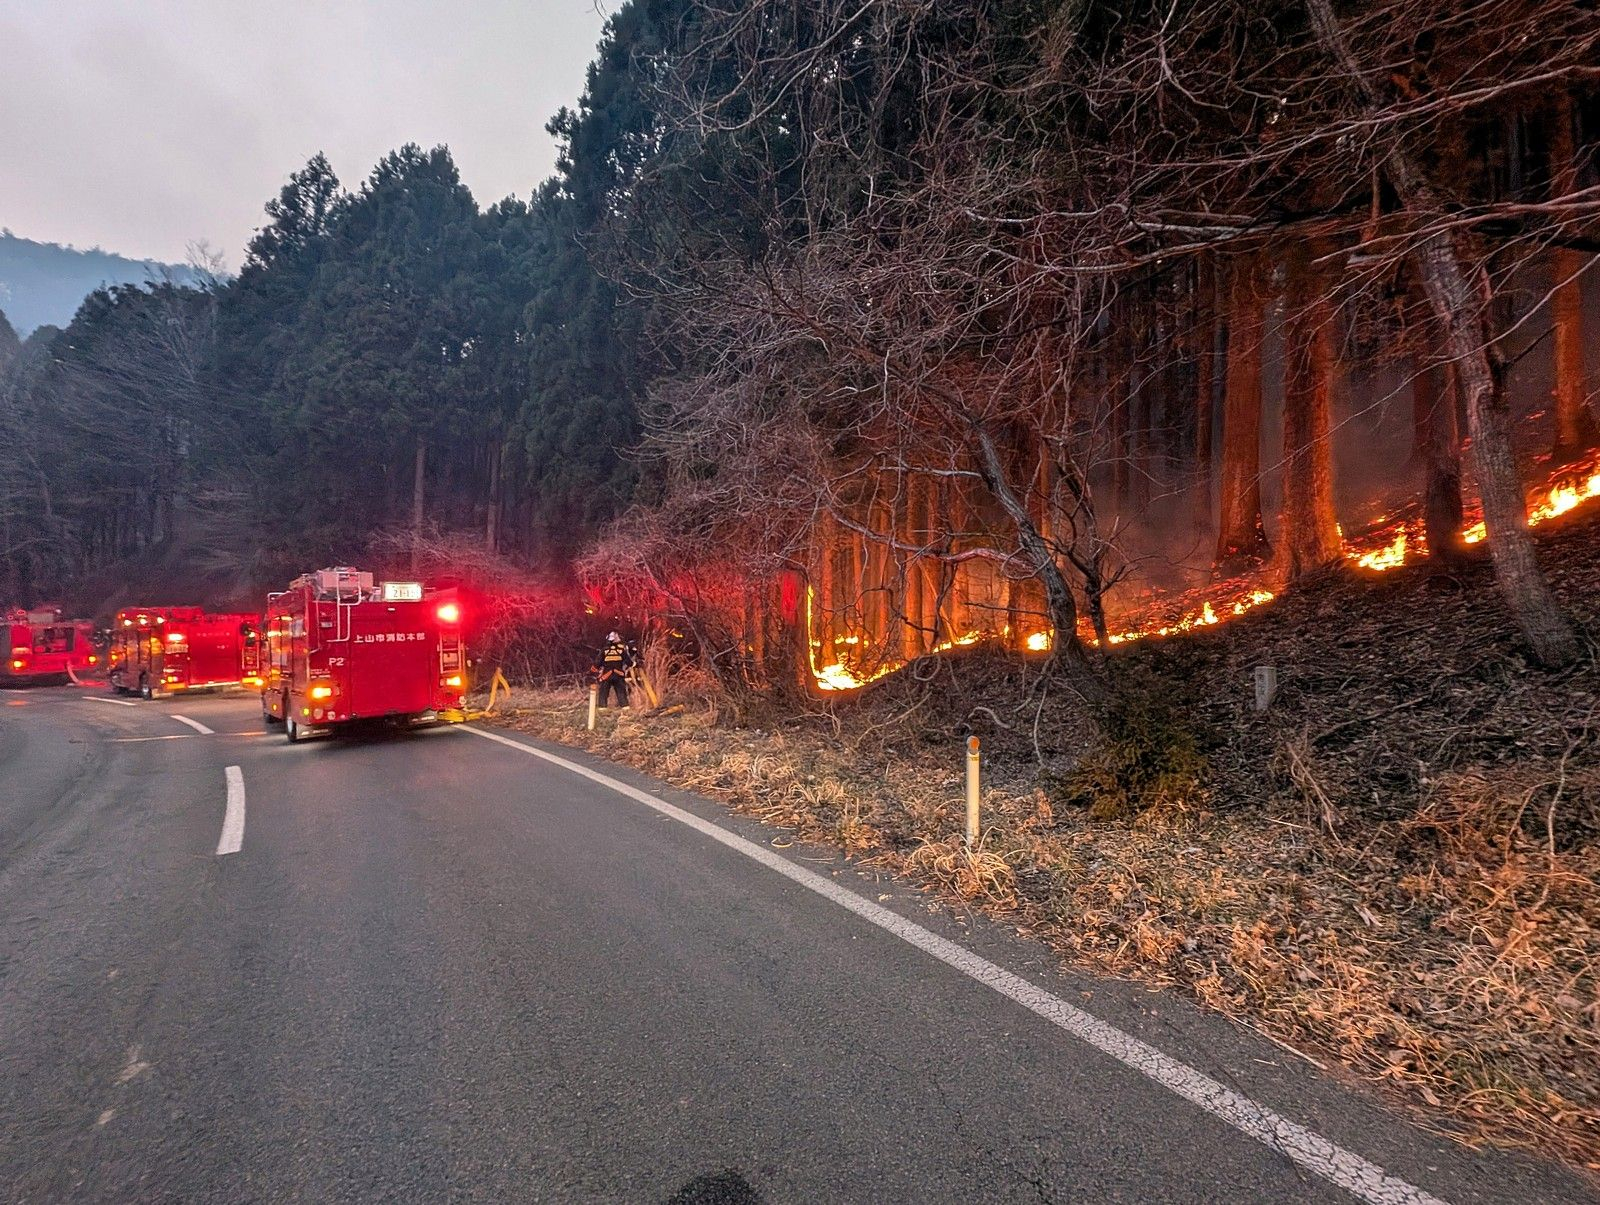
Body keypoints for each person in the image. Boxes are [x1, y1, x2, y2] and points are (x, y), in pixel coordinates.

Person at [592, 630, 636, 709]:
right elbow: (628, 661)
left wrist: (592, 672)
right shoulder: (621, 650)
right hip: (619, 675)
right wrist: (634, 664)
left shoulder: (604, 650)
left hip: (606, 675)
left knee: (603, 692)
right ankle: (625, 707)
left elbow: (597, 663)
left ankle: (602, 708)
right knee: (621, 691)